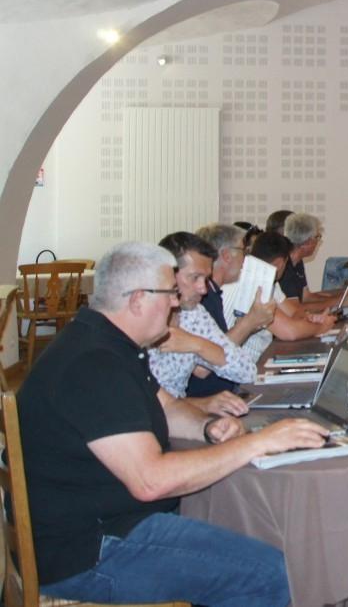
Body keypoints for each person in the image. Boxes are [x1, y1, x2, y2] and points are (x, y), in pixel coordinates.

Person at [17, 241, 329, 606]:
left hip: (110, 523)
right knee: (271, 573)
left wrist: (207, 427)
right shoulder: (93, 365)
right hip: (88, 552)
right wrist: (258, 443)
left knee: (258, 530)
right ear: (137, 300)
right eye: (169, 293)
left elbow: (166, 407)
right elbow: (152, 481)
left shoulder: (108, 343)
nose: (177, 302)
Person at [147, 232, 263, 411]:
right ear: (168, 275)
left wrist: (196, 344)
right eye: (194, 278)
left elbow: (246, 371)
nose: (203, 289)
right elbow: (143, 400)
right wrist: (201, 404)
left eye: (206, 279)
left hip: (180, 417)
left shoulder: (193, 314)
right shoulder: (142, 320)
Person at [188, 222, 277, 397]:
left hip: (225, 392)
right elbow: (202, 367)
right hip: (208, 399)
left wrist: (250, 325)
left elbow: (218, 345)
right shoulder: (202, 296)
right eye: (244, 251)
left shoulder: (214, 292)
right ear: (227, 255)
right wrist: (249, 322)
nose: (246, 260)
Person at [279, 211, 344, 308]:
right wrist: (340, 301)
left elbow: (306, 297)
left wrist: (343, 294)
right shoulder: (284, 267)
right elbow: (296, 309)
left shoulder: (298, 261)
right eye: (317, 237)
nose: (318, 241)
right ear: (307, 241)